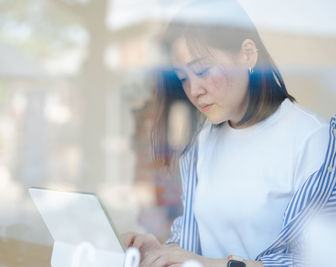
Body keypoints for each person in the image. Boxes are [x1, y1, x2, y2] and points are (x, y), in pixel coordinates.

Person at [121, 0, 336, 266]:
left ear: (247, 54)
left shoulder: (313, 140)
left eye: (202, 70)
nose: (194, 90)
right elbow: (195, 247)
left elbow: (318, 262)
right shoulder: (203, 139)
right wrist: (162, 251)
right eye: (183, 78)